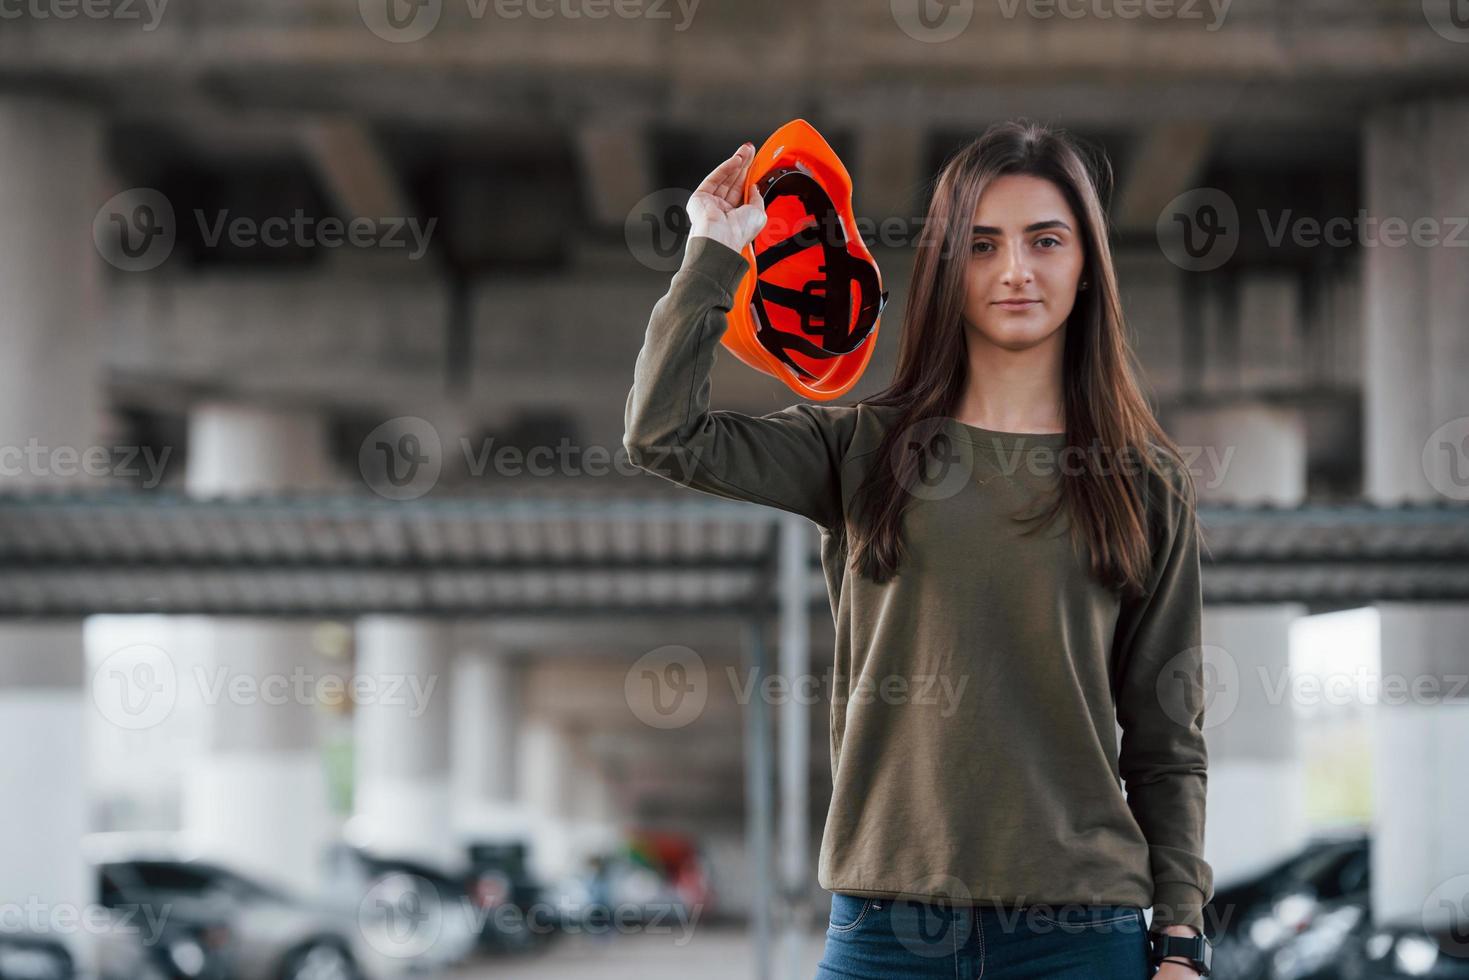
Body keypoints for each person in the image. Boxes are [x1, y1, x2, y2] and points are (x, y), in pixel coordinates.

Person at [623, 119, 1213, 979]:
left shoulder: (1143, 479)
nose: (1014, 269)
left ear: (1085, 264)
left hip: (1081, 936)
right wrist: (712, 251)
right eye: (981, 244)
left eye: (1044, 240)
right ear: (946, 268)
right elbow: (661, 434)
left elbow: (1166, 740)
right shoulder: (861, 447)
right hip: (883, 935)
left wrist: (1183, 943)